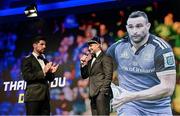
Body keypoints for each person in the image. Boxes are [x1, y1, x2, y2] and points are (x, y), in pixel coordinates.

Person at [106, 11, 176, 115]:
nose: (134, 31)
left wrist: (131, 95)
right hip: (130, 105)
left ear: (148, 26)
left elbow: (168, 88)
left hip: (158, 109)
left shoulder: (161, 49)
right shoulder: (116, 48)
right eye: (131, 27)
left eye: (139, 26)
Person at [21, 36, 59, 115]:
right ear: (34, 45)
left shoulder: (45, 60)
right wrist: (43, 72)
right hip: (33, 97)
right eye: (42, 44)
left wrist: (51, 72)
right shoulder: (27, 60)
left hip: (45, 98)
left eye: (45, 45)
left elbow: (51, 79)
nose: (44, 46)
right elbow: (27, 76)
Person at [80, 36, 113, 115]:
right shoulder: (90, 60)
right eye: (88, 46)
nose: (89, 48)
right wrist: (83, 64)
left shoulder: (105, 57)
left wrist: (103, 92)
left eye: (91, 45)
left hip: (101, 94)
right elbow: (84, 76)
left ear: (98, 45)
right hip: (92, 95)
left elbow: (108, 76)